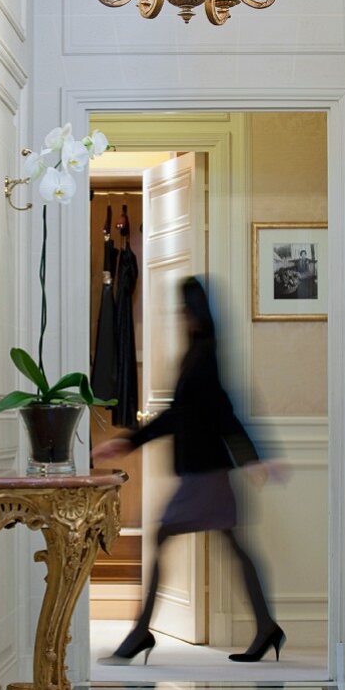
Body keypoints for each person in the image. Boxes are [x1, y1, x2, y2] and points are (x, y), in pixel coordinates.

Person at [92, 275, 286, 665]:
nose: (180, 317)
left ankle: (142, 631)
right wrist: (129, 441)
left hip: (205, 474)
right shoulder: (198, 352)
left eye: (183, 310)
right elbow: (188, 415)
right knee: (233, 547)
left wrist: (253, 457)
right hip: (207, 472)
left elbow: (219, 411)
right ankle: (266, 627)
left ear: (194, 311)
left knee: (166, 535)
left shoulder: (203, 354)